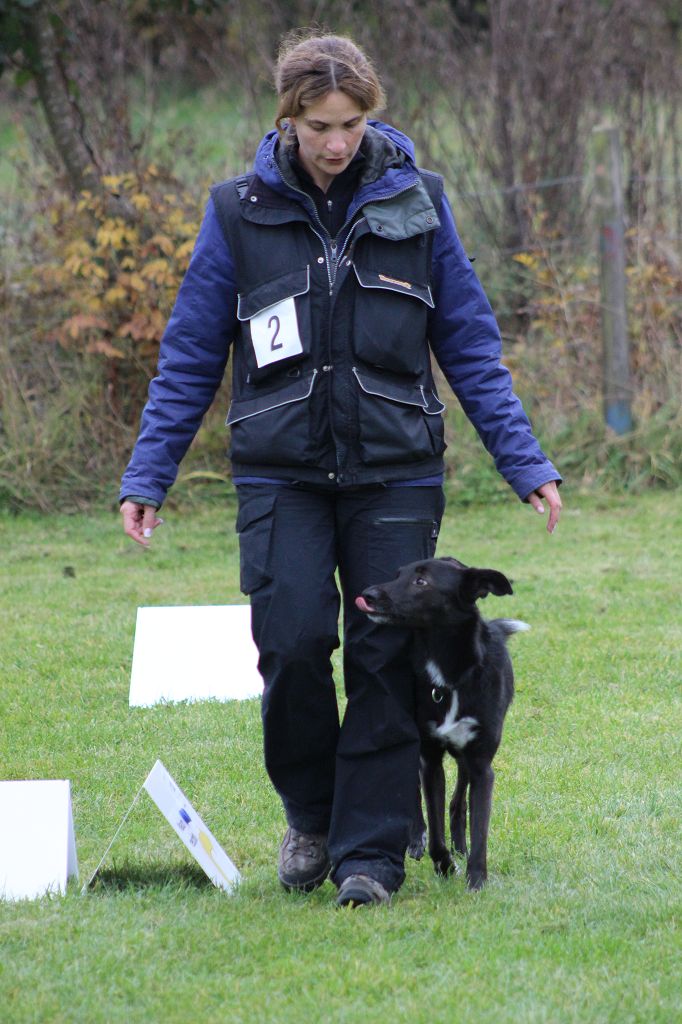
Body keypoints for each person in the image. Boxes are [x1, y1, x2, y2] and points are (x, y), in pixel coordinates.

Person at [120, 33, 562, 908]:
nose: (336, 142)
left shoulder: (420, 202)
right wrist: (148, 472)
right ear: (287, 117)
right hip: (278, 473)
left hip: (396, 472)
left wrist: (524, 460)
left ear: (371, 115)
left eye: (352, 123)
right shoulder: (237, 210)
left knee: (384, 656)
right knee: (290, 645)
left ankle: (370, 855)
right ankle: (312, 818)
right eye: (318, 125)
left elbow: (469, 342)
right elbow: (191, 351)